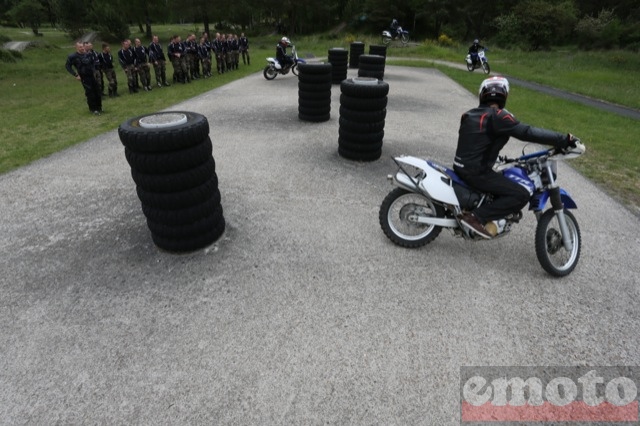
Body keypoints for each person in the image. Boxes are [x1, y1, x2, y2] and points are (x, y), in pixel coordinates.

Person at [453, 76, 578, 239]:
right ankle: (476, 217)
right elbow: (527, 132)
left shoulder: (469, 114)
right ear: (504, 95)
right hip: (477, 172)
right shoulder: (498, 116)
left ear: (482, 94)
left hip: (461, 166)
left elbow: (478, 143)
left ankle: (488, 217)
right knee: (520, 194)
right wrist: (563, 139)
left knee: (500, 183)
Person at [65, 41, 103, 115]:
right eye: (80, 47)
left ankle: (99, 107)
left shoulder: (88, 54)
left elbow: (93, 62)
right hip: (84, 77)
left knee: (97, 91)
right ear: (76, 47)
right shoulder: (73, 56)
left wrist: (94, 70)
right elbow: (67, 66)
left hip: (92, 75)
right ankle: (93, 109)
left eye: (82, 46)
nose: (82, 48)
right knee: (90, 92)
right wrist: (76, 75)